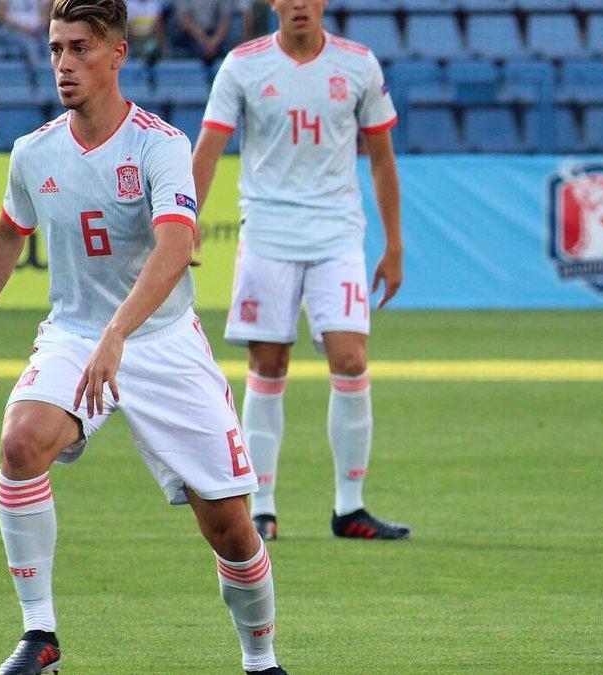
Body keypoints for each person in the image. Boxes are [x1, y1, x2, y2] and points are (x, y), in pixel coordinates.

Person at [0, 1, 286, 673]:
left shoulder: (158, 145)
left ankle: (261, 659)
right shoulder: (34, 152)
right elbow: (8, 235)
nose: (64, 65)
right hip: (76, 335)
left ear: (116, 54)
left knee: (231, 528)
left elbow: (176, 244)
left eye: (78, 49)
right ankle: (39, 634)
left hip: (161, 343)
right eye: (54, 50)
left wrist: (119, 336)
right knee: (19, 443)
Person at [193, 0, 410, 541]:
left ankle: (349, 506)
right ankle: (261, 506)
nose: (297, 5)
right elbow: (209, 148)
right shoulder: (243, 65)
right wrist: (185, 219)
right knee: (268, 365)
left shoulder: (358, 65)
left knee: (351, 355)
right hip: (268, 232)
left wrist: (395, 245)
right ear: (273, 4)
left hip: (337, 232)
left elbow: (382, 158)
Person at [0, 0, 51, 67]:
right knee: (30, 44)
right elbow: (0, 16)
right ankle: (38, 73)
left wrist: (37, 29)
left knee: (49, 44)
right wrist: (19, 28)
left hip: (36, 31)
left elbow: (45, 16)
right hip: (11, 30)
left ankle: (50, 73)